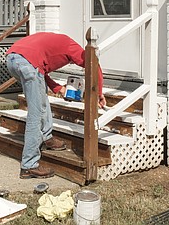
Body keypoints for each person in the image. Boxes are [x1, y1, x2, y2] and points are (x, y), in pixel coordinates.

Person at [6, 32, 106, 179]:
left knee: (41, 100)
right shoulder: (73, 48)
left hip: (12, 58)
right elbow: (93, 65)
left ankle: (47, 138)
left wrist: (58, 88)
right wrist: (99, 94)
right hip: (28, 64)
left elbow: (41, 71)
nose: (73, 63)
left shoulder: (57, 43)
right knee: (36, 114)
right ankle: (29, 165)